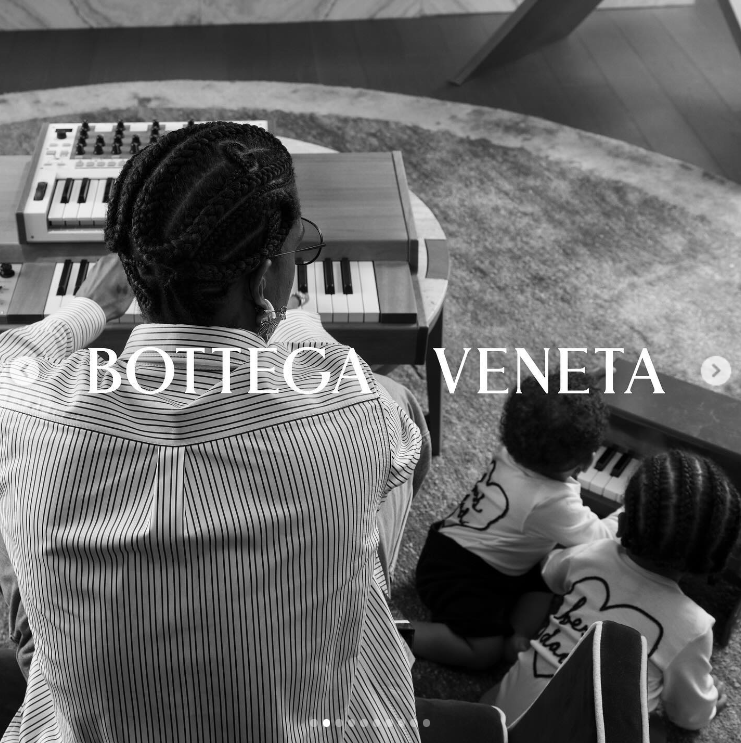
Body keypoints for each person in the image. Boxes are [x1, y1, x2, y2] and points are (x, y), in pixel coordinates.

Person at [0, 122, 431, 742]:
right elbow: (367, 407)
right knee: (403, 408)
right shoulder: (347, 409)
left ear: (133, 269)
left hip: (90, 727)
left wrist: (89, 308)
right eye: (295, 251)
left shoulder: (30, 412)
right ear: (263, 278)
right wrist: (287, 317)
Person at [485, 449, 739, 734]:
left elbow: (549, 573)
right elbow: (688, 716)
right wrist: (710, 704)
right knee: (657, 730)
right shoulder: (694, 628)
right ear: (714, 557)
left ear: (622, 523)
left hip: (498, 719)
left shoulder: (592, 554)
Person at [413, 371, 620, 669]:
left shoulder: (512, 451)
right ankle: (395, 634)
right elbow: (600, 538)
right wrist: (624, 512)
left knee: (550, 571)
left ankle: (518, 635)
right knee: (485, 654)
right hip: (460, 576)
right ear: (588, 461)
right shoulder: (552, 502)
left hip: (452, 547)